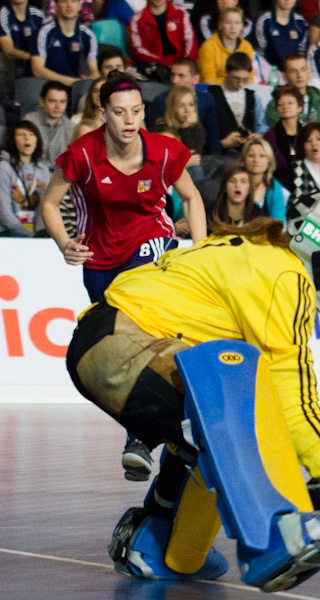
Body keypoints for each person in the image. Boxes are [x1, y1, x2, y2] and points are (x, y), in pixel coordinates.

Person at [66, 188, 320, 591]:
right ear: (317, 238)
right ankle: (275, 537)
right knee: (243, 416)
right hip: (129, 345)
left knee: (202, 432)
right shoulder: (288, 275)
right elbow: (293, 396)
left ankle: (161, 545)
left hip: (102, 340)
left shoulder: (250, 251)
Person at [41, 72, 207, 478]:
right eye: (119, 112)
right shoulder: (82, 154)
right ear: (103, 114)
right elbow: (49, 204)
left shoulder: (164, 151)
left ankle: (148, 433)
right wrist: (65, 243)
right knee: (120, 352)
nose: (129, 120)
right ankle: (157, 425)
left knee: (154, 332)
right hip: (100, 260)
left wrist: (199, 251)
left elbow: (191, 197)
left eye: (136, 111)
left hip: (152, 244)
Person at [146, 59, 223, 155]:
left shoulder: (206, 99)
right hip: (173, 154)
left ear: (195, 79)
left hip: (202, 154)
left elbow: (212, 134)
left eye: (181, 76)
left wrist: (215, 158)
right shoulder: (161, 100)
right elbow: (155, 137)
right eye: (172, 75)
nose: (175, 80)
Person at [208, 52, 269, 157]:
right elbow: (205, 132)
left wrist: (258, 136)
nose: (241, 84)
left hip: (247, 154)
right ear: (226, 72)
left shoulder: (253, 97)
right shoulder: (210, 95)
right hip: (219, 155)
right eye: (236, 79)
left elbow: (262, 127)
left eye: (245, 80)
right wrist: (223, 143)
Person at [0, 120, 50, 237]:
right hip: (8, 232)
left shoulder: (43, 170)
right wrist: (28, 234)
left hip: (34, 232)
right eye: (21, 135)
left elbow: (45, 208)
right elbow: (3, 212)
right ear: (13, 141)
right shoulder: (4, 168)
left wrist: (39, 233)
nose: (27, 138)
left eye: (31, 135)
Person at [31, 0, 99, 87]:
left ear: (79, 6)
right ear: (56, 6)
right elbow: (37, 69)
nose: (69, 5)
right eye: (64, 1)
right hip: (49, 86)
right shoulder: (44, 32)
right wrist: (68, 81)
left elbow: (95, 71)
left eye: (73, 1)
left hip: (76, 88)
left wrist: (89, 79)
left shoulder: (88, 35)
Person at [128, 0, 199, 69]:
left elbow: (190, 41)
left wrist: (186, 64)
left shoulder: (180, 13)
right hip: (154, 70)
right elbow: (139, 51)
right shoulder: (137, 20)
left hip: (182, 66)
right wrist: (164, 66)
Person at [266, 53, 320, 126]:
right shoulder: (275, 104)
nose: (299, 75)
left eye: (303, 70)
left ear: (309, 72)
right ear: (284, 75)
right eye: (293, 71)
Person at [198, 6, 256, 84]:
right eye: (228, 23)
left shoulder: (247, 47)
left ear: (242, 26)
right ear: (220, 25)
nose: (233, 27)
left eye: (237, 23)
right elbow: (208, 80)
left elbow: (249, 77)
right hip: (214, 91)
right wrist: (232, 84)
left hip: (239, 90)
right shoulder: (208, 46)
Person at [156, 86, 207, 175]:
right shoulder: (161, 128)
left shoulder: (197, 129)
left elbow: (193, 155)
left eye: (191, 104)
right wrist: (181, 164)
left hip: (188, 170)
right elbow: (160, 161)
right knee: (196, 169)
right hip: (165, 171)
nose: (187, 110)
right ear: (173, 108)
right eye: (181, 105)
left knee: (196, 167)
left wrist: (186, 127)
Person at [23, 81, 75, 167]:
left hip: (59, 176)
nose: (58, 106)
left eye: (62, 102)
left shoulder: (71, 127)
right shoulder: (29, 121)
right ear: (42, 102)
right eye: (52, 101)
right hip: (33, 173)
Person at [240, 135, 290, 221]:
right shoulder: (235, 184)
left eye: (262, 156)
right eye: (251, 155)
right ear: (244, 159)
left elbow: (279, 224)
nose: (256, 160)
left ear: (269, 161)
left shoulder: (275, 188)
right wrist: (255, 202)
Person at [254, 0, 309, 70]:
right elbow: (259, 54)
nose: (287, 0)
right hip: (270, 73)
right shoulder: (265, 21)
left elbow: (301, 53)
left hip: (293, 73)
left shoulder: (300, 22)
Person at [0, 0, 46, 78]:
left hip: (33, 74)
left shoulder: (38, 15)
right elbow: (8, 51)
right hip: (8, 74)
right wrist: (35, 59)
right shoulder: (3, 13)